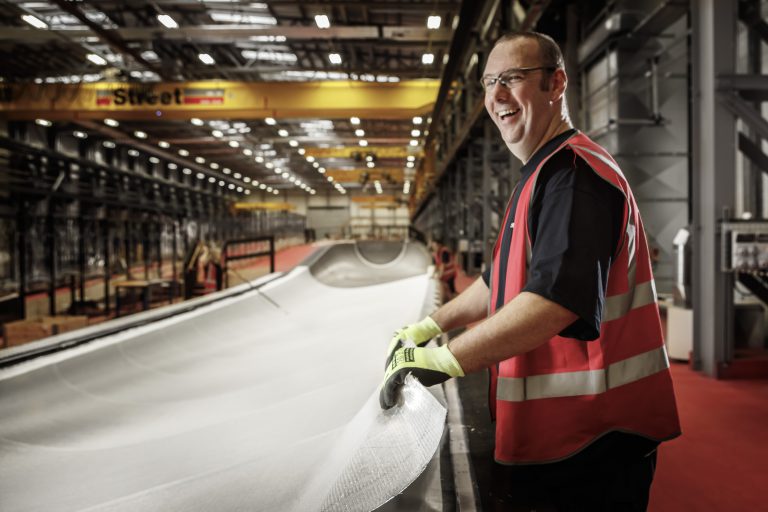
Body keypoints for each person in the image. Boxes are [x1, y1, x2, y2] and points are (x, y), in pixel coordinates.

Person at [381, 31, 681, 511]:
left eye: (513, 78)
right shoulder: (543, 174)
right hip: (563, 436)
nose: (497, 95)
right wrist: (430, 326)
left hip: (593, 439)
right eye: (489, 82)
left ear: (556, 83)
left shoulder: (575, 178)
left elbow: (554, 303)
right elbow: (497, 280)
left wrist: (446, 360)